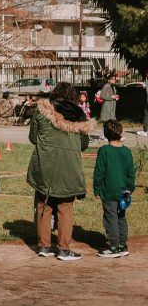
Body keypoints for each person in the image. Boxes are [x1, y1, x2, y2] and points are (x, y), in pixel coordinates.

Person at [26, 82, 94, 261]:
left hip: (45, 164)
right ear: (73, 96)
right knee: (65, 207)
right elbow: (84, 144)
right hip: (68, 166)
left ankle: (44, 246)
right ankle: (63, 249)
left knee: (44, 204)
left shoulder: (42, 112)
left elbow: (33, 137)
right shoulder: (79, 116)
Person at [93, 120, 135, 257]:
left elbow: (99, 172)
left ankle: (113, 246)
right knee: (121, 217)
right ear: (120, 132)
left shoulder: (104, 151)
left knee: (110, 218)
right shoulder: (127, 151)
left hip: (108, 191)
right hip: (124, 191)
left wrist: (96, 189)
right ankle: (122, 245)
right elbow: (130, 172)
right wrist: (130, 188)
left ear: (105, 134)